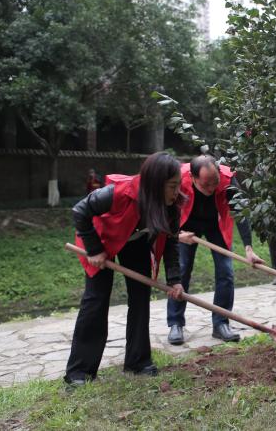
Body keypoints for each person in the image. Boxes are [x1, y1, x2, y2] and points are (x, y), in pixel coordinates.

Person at [65, 152, 185, 386]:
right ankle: (80, 372)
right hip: (102, 240)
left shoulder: (172, 205)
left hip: (136, 241)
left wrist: (175, 280)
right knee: (96, 300)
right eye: (172, 186)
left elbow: (171, 242)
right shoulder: (117, 193)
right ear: (155, 185)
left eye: (178, 185)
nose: (177, 192)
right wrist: (94, 249)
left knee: (141, 297)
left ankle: (138, 362)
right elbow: (80, 211)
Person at [167, 155, 263, 345]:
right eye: (206, 185)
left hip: (215, 224)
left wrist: (249, 248)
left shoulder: (228, 179)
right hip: (186, 225)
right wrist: (176, 235)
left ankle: (221, 323)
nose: (211, 188)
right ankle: (175, 323)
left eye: (214, 183)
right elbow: (165, 209)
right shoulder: (179, 178)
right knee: (182, 271)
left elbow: (241, 213)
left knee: (226, 272)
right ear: (193, 178)